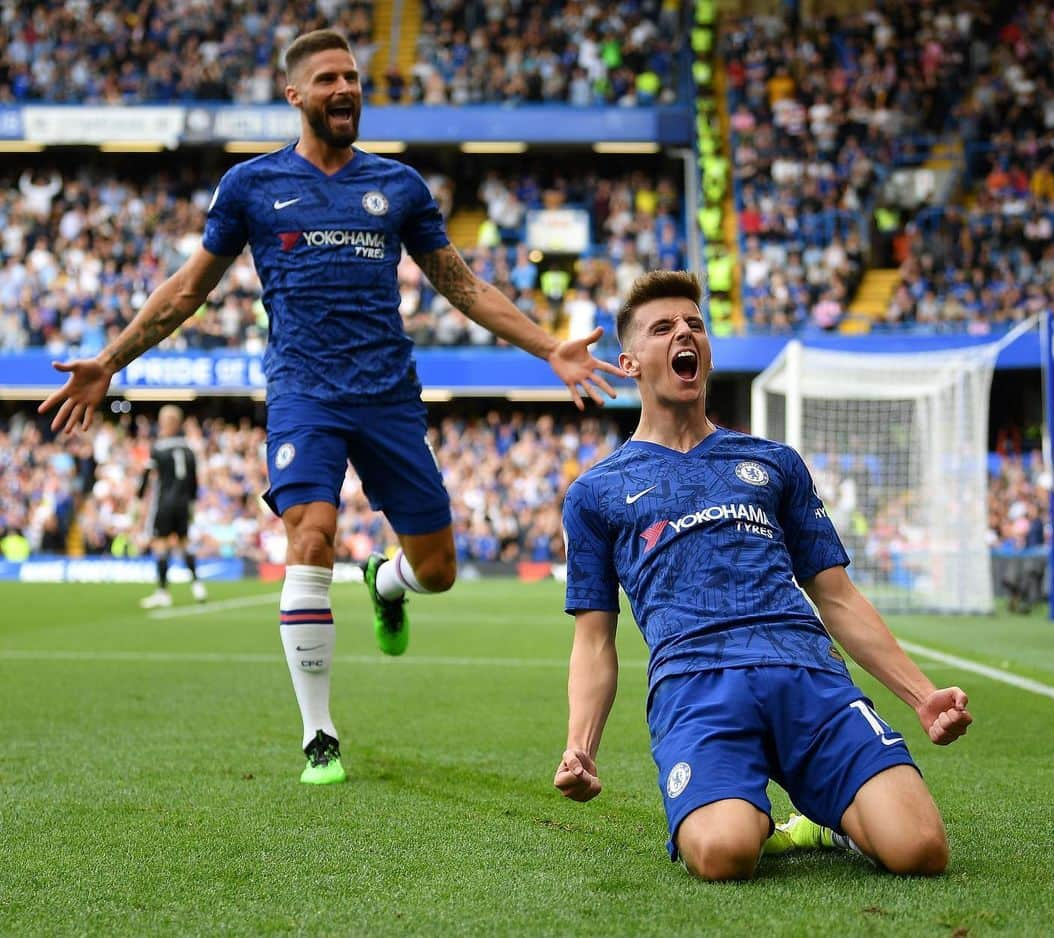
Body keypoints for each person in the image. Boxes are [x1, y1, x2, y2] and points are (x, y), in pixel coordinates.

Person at [39, 29, 621, 786]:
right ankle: (320, 735)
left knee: (438, 571)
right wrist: (109, 363)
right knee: (309, 539)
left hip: (387, 396)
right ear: (295, 95)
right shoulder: (251, 186)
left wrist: (548, 347)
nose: (346, 88)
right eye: (328, 79)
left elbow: (463, 285)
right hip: (303, 394)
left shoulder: (400, 186)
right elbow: (187, 291)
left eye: (352, 76)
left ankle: (386, 584)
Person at [553, 270, 972, 880]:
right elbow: (593, 639)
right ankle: (757, 817)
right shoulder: (595, 492)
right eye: (663, 327)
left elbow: (837, 597)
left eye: (694, 324)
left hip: (809, 675)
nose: (683, 334)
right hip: (696, 687)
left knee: (920, 850)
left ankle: (828, 819)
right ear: (630, 361)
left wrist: (920, 694)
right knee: (725, 854)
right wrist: (580, 746)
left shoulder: (772, 462)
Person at [137, 404, 206, 609]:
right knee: (184, 543)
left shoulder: (159, 448)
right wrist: (192, 502)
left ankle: (162, 592)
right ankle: (197, 585)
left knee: (160, 544)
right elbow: (194, 481)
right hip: (184, 503)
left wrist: (139, 496)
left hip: (165, 502)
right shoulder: (188, 449)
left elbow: (147, 475)